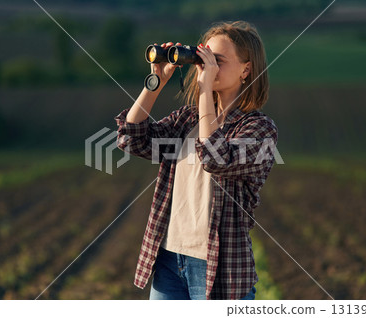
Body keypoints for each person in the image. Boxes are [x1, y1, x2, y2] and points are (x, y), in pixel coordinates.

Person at [114, 21, 278, 300]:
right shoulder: (187, 119)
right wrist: (156, 81)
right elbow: (132, 139)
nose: (206, 67)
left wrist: (204, 91)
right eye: (204, 59)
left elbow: (214, 158)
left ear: (246, 69)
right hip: (168, 257)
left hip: (218, 267)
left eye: (218, 61)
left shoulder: (259, 130)